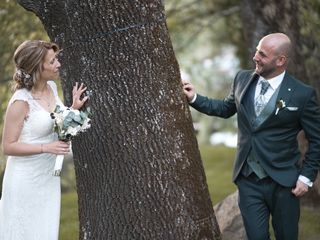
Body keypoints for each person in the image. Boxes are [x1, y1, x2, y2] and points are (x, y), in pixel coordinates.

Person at [182, 33, 320, 240]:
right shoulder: (242, 78)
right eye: (257, 50)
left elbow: (317, 139)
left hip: (284, 182)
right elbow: (225, 108)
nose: (255, 57)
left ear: (280, 60)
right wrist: (194, 98)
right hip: (248, 180)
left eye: (262, 54)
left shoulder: (302, 94)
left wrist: (306, 177)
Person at [0, 40, 88, 240]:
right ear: (37, 67)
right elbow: (8, 146)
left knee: (44, 231)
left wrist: (72, 109)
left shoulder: (51, 87)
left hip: (48, 178)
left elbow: (53, 119)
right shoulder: (21, 101)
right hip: (25, 180)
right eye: (52, 61)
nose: (58, 64)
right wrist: (46, 147)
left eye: (56, 59)